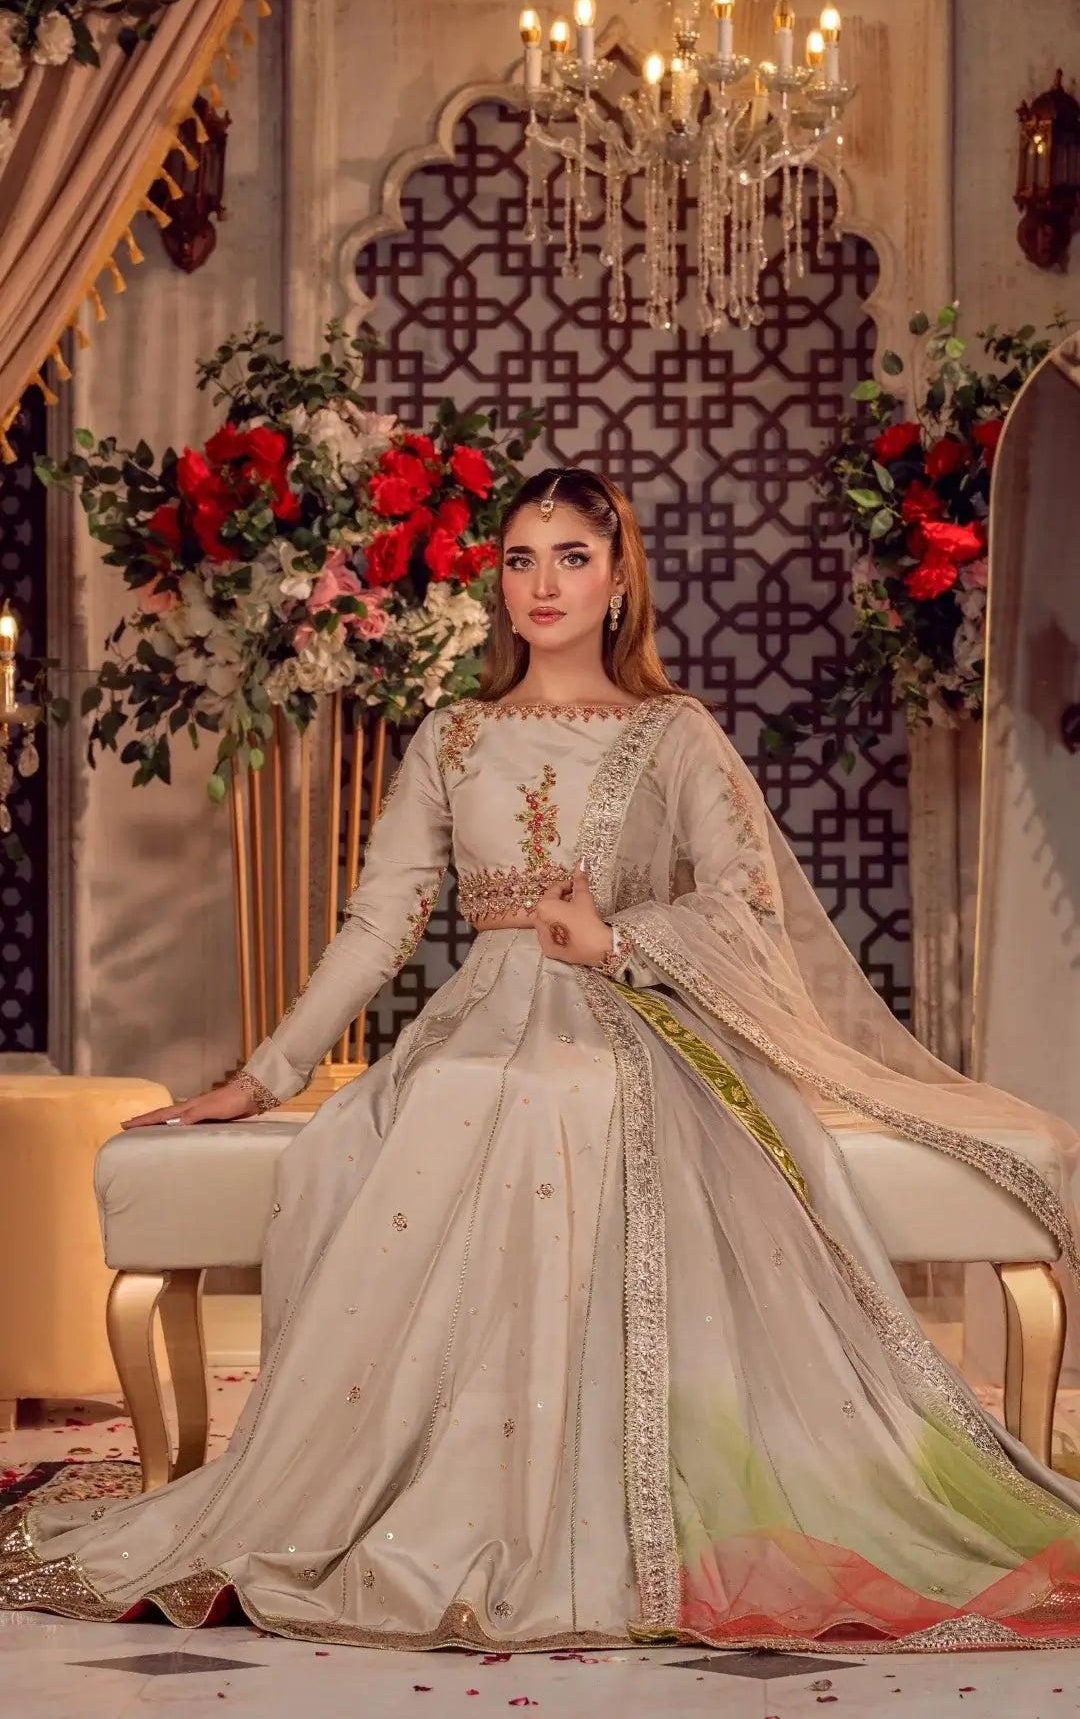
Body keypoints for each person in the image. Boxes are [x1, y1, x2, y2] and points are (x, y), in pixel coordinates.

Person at [5, 465, 1080, 1654]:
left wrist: (615, 942)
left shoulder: (674, 733)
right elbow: (379, 923)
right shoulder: (455, 737)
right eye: (521, 559)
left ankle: (595, 1497)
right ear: (498, 589)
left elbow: (746, 908)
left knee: (559, 1094)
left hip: (634, 1021)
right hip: (482, 1017)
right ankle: (436, 1488)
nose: (545, 583)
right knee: (444, 1098)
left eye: (573, 555)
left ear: (619, 580)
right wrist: (261, 1075)